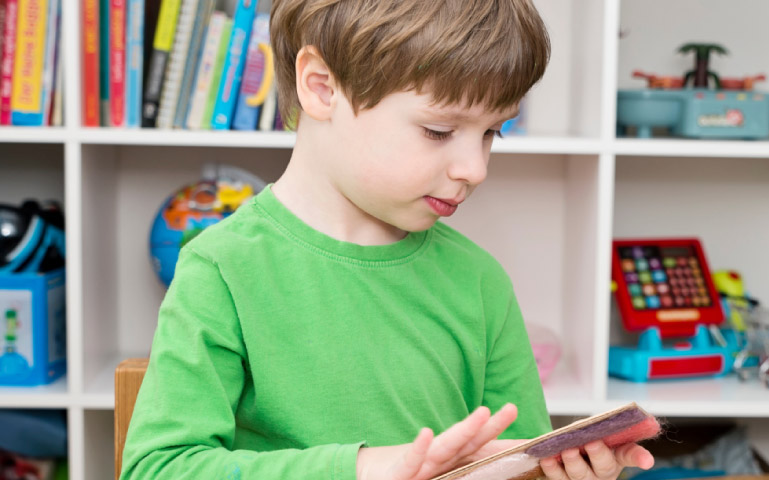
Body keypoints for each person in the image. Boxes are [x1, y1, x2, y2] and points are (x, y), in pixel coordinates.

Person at [120, 1, 656, 479]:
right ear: (321, 87)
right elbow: (159, 468)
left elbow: (515, 458)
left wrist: (559, 474)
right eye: (440, 132)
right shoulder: (222, 269)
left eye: (492, 132)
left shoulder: (480, 281)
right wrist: (362, 468)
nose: (475, 168)